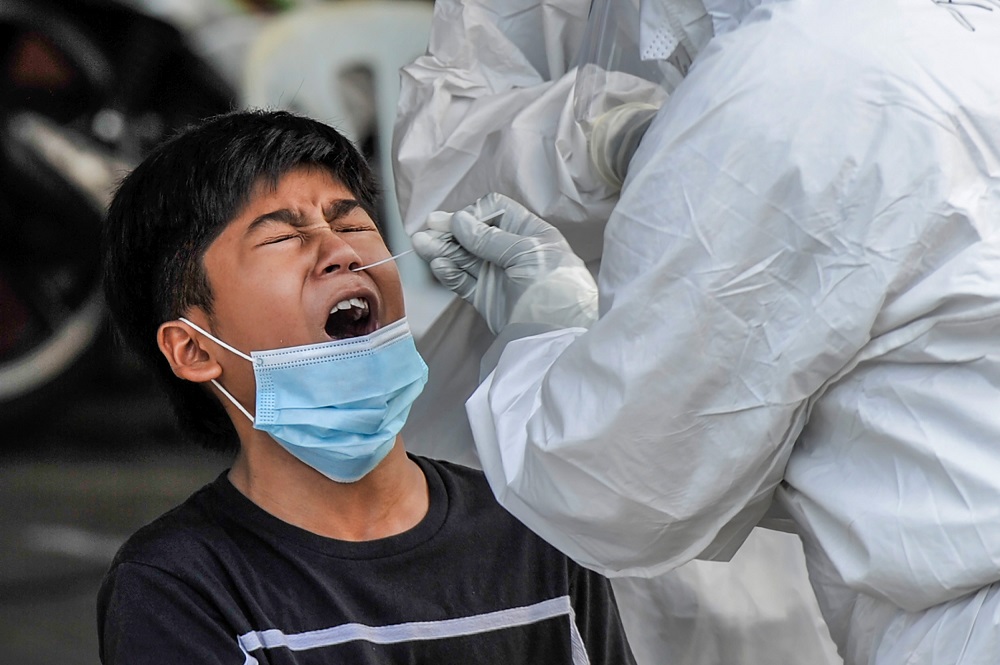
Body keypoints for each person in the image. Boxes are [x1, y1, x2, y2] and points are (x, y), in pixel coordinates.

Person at [402, 0, 1000, 663]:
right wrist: (590, 140)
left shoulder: (786, 80)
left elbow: (618, 483)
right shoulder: (957, 40)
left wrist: (539, 327)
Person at [96, 109, 637, 665]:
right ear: (194, 350)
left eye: (352, 225)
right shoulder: (177, 587)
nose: (342, 252)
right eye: (283, 237)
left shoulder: (535, 526)